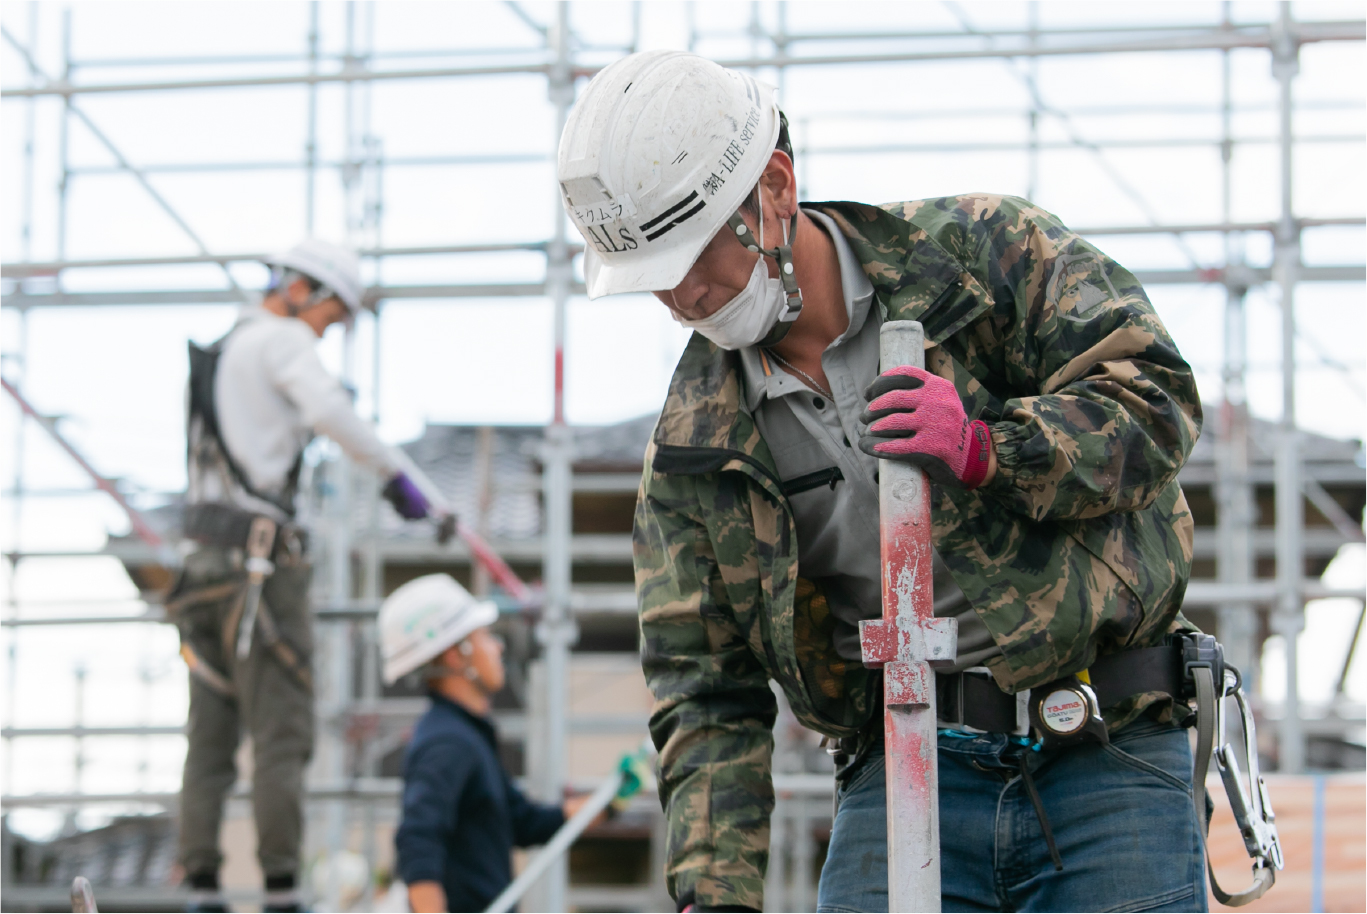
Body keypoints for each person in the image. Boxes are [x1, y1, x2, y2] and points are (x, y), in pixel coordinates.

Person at [558, 51, 1206, 913]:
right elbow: (705, 687)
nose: (682, 296)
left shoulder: (982, 260)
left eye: (694, 255)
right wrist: (713, 896)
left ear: (774, 189)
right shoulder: (695, 449)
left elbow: (1155, 400)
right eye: (655, 277)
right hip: (901, 759)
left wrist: (990, 448)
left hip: (1102, 746)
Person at [170, 239, 436, 912]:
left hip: (200, 567)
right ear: (300, 290)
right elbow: (329, 413)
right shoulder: (281, 344)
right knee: (281, 733)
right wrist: (400, 479)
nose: (329, 330)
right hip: (259, 569)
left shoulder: (226, 349)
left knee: (209, 733)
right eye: (333, 316)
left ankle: (202, 888)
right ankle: (282, 893)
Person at [381, 574, 600, 913]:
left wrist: (611, 801)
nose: (497, 647)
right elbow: (418, 843)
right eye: (484, 637)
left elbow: (523, 822)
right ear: (458, 654)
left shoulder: (467, 735)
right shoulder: (448, 742)